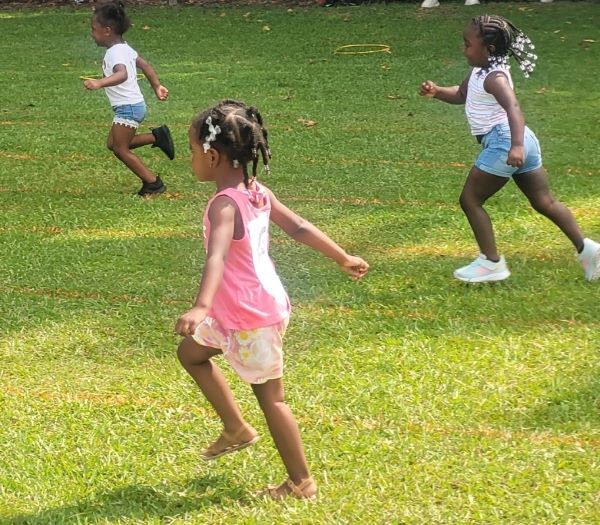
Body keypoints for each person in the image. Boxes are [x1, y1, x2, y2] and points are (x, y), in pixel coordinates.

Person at [175, 100, 369, 499]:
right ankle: (235, 429)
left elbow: (217, 256)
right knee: (190, 354)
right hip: (240, 308)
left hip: (250, 316)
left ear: (212, 156)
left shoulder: (224, 205)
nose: (191, 159)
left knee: (272, 400)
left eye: (193, 151)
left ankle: (301, 483)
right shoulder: (256, 191)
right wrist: (342, 255)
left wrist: (199, 305)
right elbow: (297, 227)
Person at [419, 14, 600, 282]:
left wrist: (515, 146)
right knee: (544, 201)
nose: (463, 49)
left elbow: (513, 107)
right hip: (521, 140)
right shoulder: (480, 71)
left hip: (506, 141)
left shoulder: (495, 78)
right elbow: (462, 95)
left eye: (468, 44)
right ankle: (590, 251)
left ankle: (491, 263)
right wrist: (437, 91)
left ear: (489, 49)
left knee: (470, 200)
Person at [83, 1, 174, 196]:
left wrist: (99, 83)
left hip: (128, 108)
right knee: (113, 144)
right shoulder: (125, 48)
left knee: (120, 150)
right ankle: (157, 137)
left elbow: (122, 74)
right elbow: (145, 65)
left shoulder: (114, 53)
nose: (92, 34)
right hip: (133, 105)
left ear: (107, 30)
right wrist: (157, 86)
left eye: (94, 29)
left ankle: (153, 183)